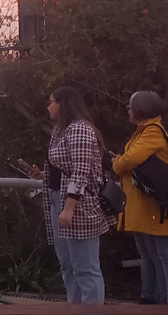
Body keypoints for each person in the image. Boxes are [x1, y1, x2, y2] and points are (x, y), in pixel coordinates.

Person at [22, 87, 112, 304]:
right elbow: (65, 169)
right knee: (68, 265)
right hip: (57, 200)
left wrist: (69, 208)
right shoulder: (60, 130)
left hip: (78, 207)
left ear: (63, 104)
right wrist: (42, 175)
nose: (48, 106)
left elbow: (80, 173)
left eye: (51, 101)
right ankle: (75, 308)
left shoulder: (80, 130)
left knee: (86, 268)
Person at [111, 91, 168, 304]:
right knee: (147, 255)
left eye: (131, 107)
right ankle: (149, 298)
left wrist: (118, 162)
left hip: (153, 206)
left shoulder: (153, 132)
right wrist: (123, 161)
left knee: (159, 254)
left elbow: (128, 161)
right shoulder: (144, 132)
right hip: (141, 205)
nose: (128, 111)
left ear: (140, 109)